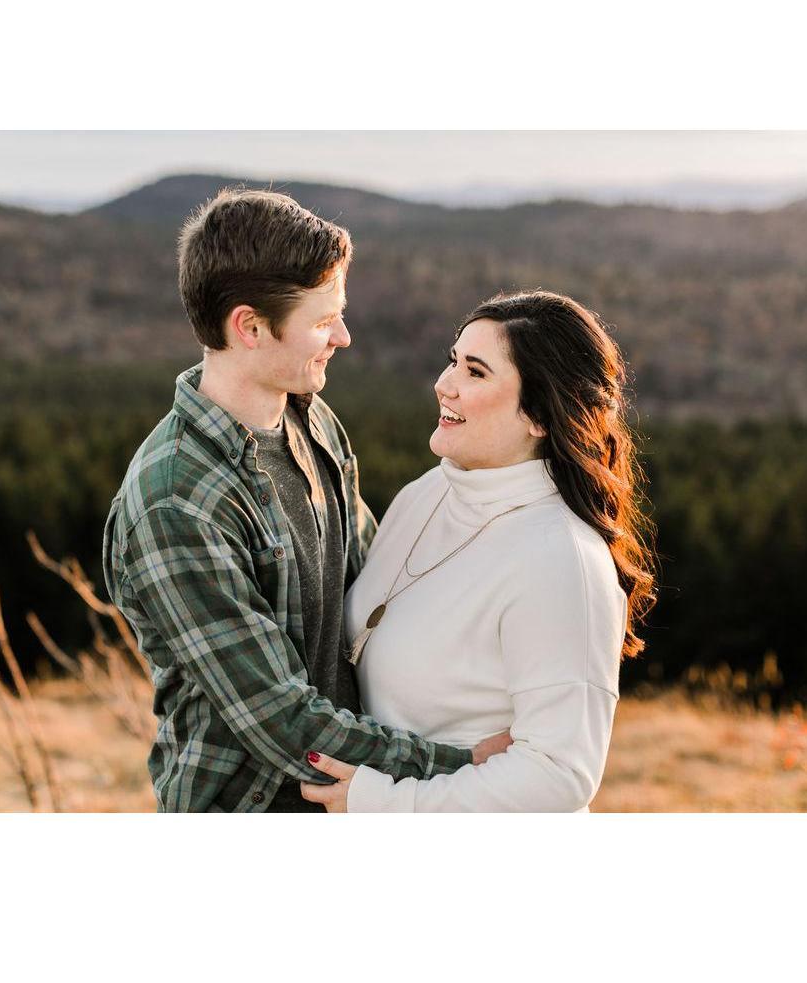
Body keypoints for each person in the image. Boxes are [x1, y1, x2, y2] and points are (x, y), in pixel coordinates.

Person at [102, 188, 510, 813]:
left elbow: (383, 581)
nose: (344, 337)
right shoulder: (176, 502)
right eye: (322, 321)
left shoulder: (312, 422)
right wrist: (458, 767)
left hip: (354, 800)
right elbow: (285, 723)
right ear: (251, 327)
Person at [301, 290, 656, 812]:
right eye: (452, 362)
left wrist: (386, 803)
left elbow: (559, 776)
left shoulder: (561, 560)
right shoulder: (425, 494)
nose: (444, 385)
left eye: (476, 372)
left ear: (539, 416)